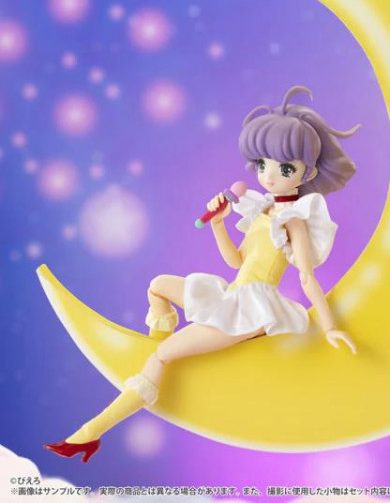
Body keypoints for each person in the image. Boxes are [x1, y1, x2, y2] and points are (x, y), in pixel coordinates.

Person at [44, 85, 360, 462]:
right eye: (263, 165)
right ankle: (154, 359)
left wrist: (329, 326)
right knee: (158, 287)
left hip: (252, 308)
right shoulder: (260, 211)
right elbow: (237, 262)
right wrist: (219, 224)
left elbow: (307, 277)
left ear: (307, 172)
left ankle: (92, 431)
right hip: (234, 293)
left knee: (162, 355)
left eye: (285, 169)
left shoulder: (294, 221)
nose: (270, 176)